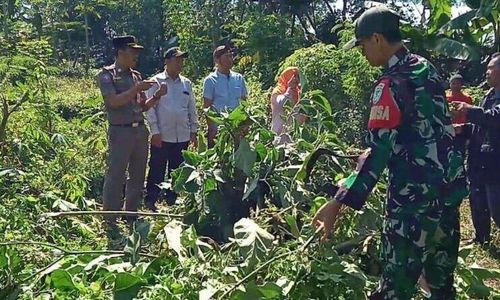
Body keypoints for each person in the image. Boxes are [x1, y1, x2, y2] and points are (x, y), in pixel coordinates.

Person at [312, 6, 466, 299]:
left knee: (396, 289)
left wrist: (337, 202)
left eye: (362, 45)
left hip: (412, 205)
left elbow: (378, 153)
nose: (362, 52)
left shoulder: (389, 83)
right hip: (447, 195)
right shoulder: (426, 68)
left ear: (378, 39)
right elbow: (426, 130)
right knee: (441, 286)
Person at [96, 35, 167, 241]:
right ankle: (110, 217)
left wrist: (156, 96)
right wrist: (136, 89)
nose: (136, 56)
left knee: (138, 174)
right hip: (120, 131)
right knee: (116, 174)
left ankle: (131, 213)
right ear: (120, 53)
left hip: (139, 130)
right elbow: (113, 102)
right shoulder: (107, 75)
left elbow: (142, 106)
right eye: (132, 51)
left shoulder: (136, 75)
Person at [451, 52, 500, 244]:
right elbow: (481, 125)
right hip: (480, 160)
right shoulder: (489, 96)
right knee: (477, 200)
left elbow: (494, 118)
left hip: (496, 161)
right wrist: (463, 129)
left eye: (491, 68)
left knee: (496, 206)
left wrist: (467, 110)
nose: (487, 72)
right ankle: (481, 238)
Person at [144, 47, 198, 211]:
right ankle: (151, 199)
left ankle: (172, 199)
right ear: (167, 62)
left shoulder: (186, 83)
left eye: (182, 60)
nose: (180, 63)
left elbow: (191, 108)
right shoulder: (156, 81)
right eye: (177, 60)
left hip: (181, 134)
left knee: (177, 169)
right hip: (162, 133)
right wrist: (155, 131)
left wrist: (193, 131)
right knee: (157, 167)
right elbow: (150, 109)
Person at [202, 45, 248, 147]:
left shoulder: (239, 78)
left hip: (237, 129)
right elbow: (207, 108)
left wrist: (245, 126)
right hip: (219, 130)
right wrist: (212, 128)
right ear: (217, 60)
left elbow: (244, 103)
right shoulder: (210, 80)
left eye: (231, 56)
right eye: (227, 56)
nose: (230, 59)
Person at [270, 67, 306, 144]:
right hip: (279, 137)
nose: (296, 79)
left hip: (294, 140)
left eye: (297, 77)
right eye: (293, 76)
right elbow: (280, 103)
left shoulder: (299, 94)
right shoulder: (278, 91)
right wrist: (289, 89)